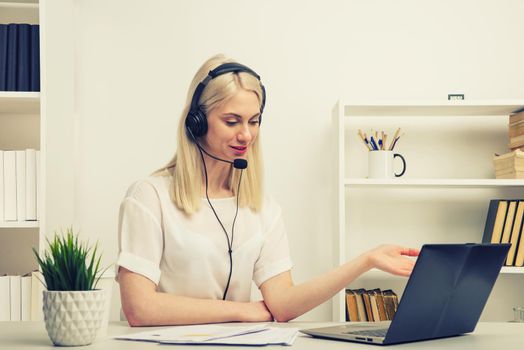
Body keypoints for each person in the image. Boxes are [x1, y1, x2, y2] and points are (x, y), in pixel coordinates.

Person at [116, 54, 419, 327]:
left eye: (254, 121)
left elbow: (282, 304)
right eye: (232, 121)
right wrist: (240, 310)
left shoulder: (262, 208)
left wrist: (366, 261)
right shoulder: (149, 197)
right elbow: (140, 307)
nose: (246, 134)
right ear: (196, 123)